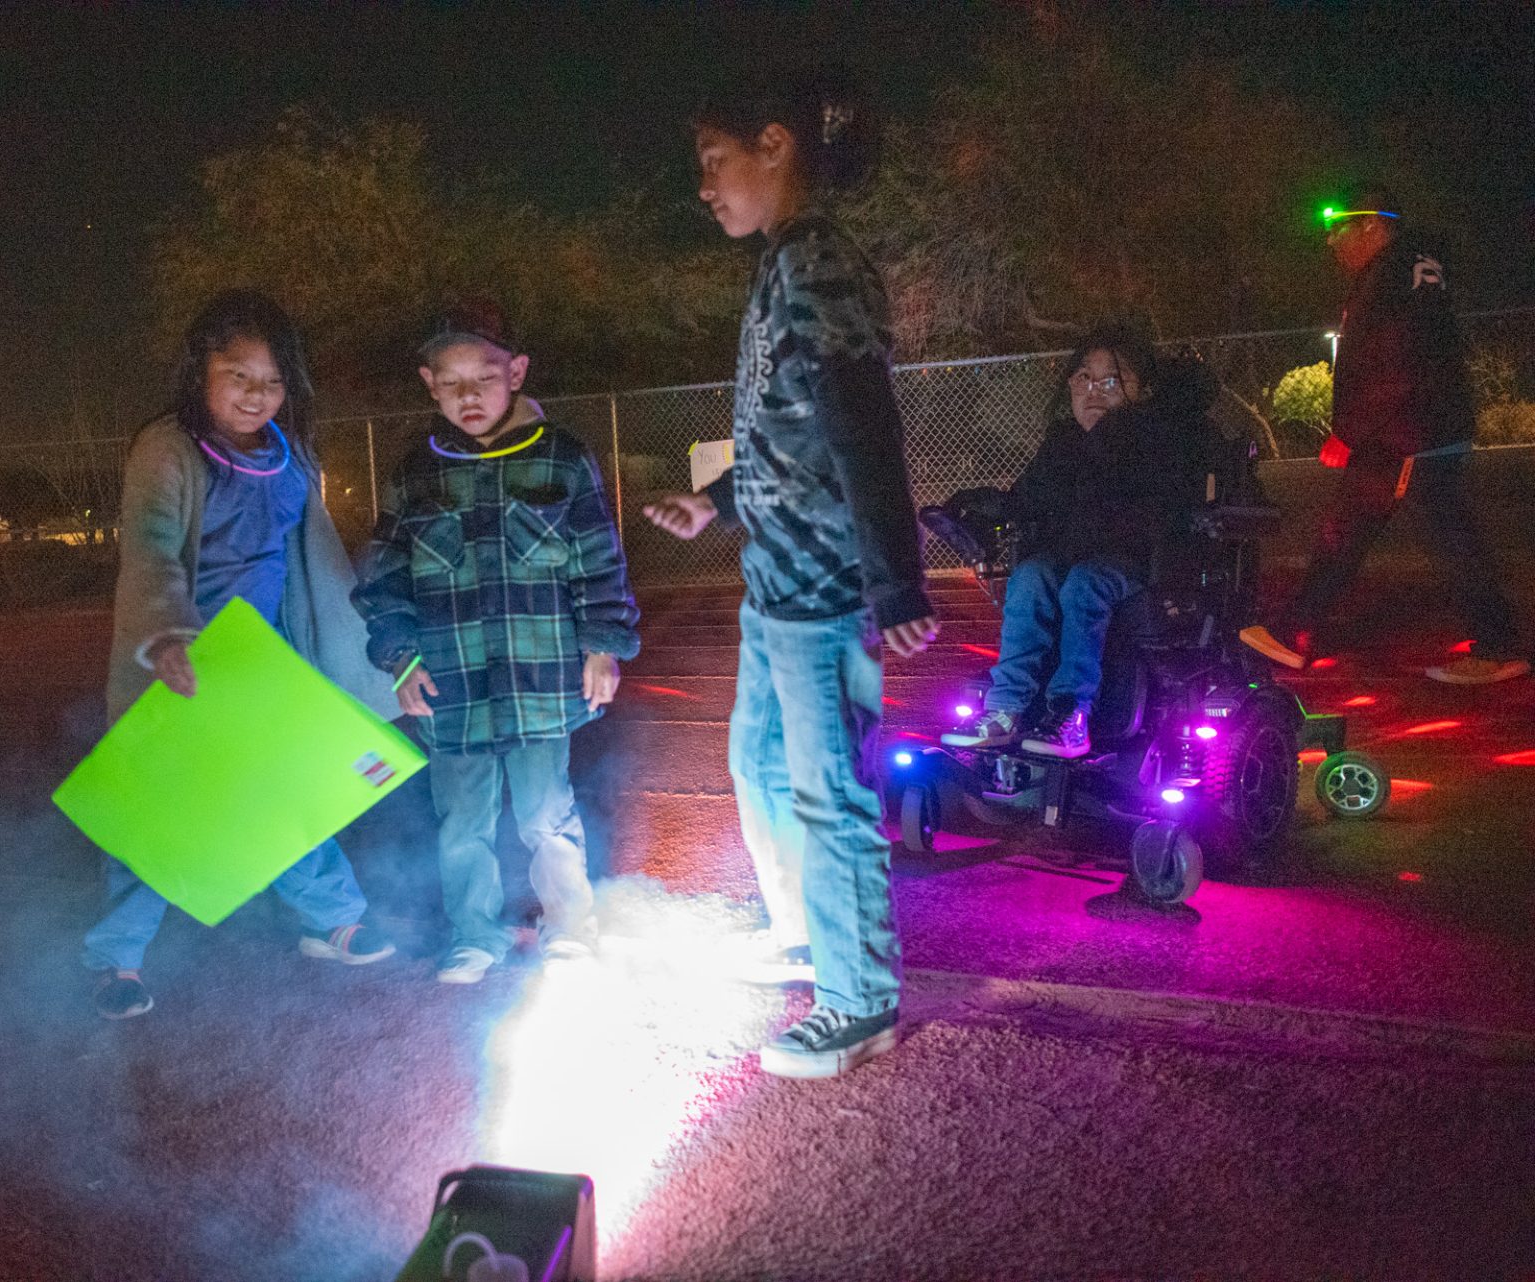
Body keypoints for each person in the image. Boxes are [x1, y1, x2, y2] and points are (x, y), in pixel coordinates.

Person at [643, 73, 936, 1079]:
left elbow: (861, 418)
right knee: (758, 769)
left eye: (714, 165)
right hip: (774, 584)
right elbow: (786, 425)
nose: (705, 189)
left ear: (774, 145)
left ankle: (860, 1000)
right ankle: (810, 932)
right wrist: (718, 504)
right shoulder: (784, 264)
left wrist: (896, 581)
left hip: (823, 592)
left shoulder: (819, 263)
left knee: (828, 795)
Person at [82, 289, 400, 1020]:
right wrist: (166, 632)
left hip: (264, 659)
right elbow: (152, 544)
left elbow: (309, 559)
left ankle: (334, 919)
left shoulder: (291, 459)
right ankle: (115, 960)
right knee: (158, 810)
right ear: (200, 372)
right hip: (185, 655)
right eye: (238, 375)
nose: (257, 394)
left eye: (273, 380)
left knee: (285, 790)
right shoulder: (167, 448)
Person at [353, 300, 640, 985]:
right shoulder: (413, 472)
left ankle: (571, 927)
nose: (468, 395)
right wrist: (401, 657)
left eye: (483, 376)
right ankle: (473, 935)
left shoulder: (562, 458)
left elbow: (599, 560)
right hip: (452, 686)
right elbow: (384, 577)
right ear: (428, 383)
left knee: (547, 813)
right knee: (460, 823)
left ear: (515, 371)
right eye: (449, 383)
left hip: (544, 682)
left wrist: (603, 645)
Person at [1239, 182, 1528, 683]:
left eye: (1339, 228)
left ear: (1373, 225)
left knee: (1385, 535)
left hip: (1407, 435)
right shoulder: (1413, 271)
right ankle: (1296, 631)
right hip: (1417, 430)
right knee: (1382, 532)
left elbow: (1394, 362)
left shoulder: (1389, 279)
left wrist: (1349, 431)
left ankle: (1498, 647)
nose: (1332, 242)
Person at [942, 324, 1212, 758]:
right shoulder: (1063, 443)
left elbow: (1160, 514)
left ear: (1141, 390)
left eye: (1110, 381)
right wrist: (973, 506)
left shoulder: (1157, 441)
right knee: (1030, 578)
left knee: (1084, 583)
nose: (1093, 391)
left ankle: (1071, 714)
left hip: (1137, 564)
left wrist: (1108, 440)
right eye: (1084, 378)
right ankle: (1006, 708)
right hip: (1070, 560)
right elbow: (1026, 499)